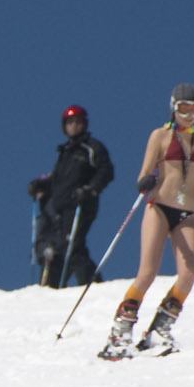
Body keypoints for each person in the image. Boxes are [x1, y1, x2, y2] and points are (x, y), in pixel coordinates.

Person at [99, 89, 194, 360]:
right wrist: (145, 182)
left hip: (186, 213)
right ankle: (120, 331)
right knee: (147, 271)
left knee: (189, 272)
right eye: (184, 109)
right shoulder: (160, 136)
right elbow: (143, 173)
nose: (189, 115)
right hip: (159, 208)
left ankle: (158, 330)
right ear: (173, 108)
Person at [29, 104, 116, 288]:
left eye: (78, 122)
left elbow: (106, 170)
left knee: (72, 247)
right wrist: (40, 185)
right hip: (59, 208)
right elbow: (57, 180)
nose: (74, 126)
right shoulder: (66, 152)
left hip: (80, 205)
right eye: (70, 122)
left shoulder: (91, 147)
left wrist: (90, 189)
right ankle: (52, 289)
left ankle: (93, 286)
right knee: (54, 249)